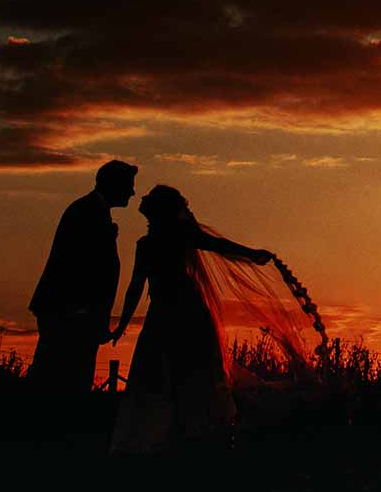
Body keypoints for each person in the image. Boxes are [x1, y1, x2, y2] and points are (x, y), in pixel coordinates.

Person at [107, 183, 309, 453]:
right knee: (160, 373)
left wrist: (251, 254)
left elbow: (218, 245)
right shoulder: (146, 245)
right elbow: (135, 286)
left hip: (187, 313)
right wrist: (122, 324)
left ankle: (199, 434)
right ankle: (173, 435)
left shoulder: (180, 234)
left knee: (194, 372)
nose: (143, 202)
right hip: (165, 314)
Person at [26, 158, 137, 393]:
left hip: (76, 314)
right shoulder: (88, 211)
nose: (132, 192)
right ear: (114, 184)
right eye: (128, 185)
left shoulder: (91, 210)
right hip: (70, 314)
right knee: (61, 381)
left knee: (67, 379)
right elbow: (78, 266)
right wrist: (82, 310)